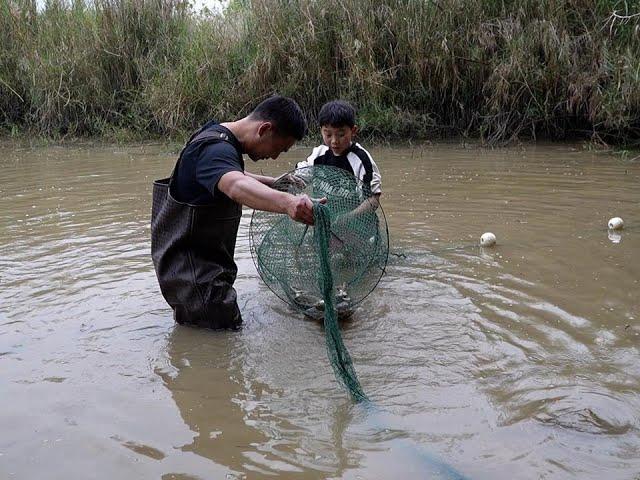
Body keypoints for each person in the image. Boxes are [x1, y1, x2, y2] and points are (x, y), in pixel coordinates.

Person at [151, 95, 322, 330]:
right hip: (198, 282)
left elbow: (229, 174)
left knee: (202, 339)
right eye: (279, 149)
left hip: (195, 275)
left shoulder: (216, 137)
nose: (274, 157)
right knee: (221, 351)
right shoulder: (214, 149)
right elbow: (235, 185)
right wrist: (288, 203)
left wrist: (274, 183)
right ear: (264, 129)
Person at [295, 100, 382, 215]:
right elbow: (299, 178)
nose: (335, 141)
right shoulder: (318, 155)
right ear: (321, 131)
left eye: (341, 135)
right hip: (326, 220)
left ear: (353, 131)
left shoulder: (361, 160)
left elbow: (373, 200)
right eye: (328, 135)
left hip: (356, 224)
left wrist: (347, 219)